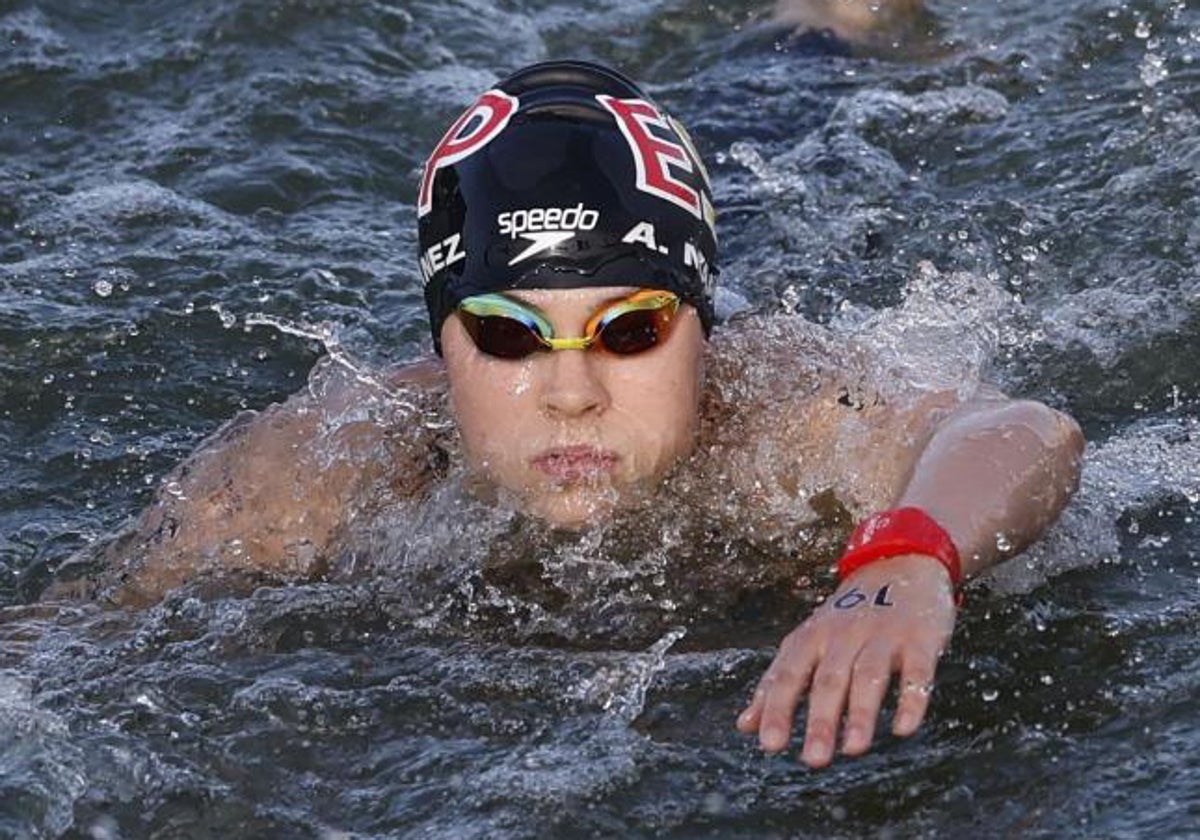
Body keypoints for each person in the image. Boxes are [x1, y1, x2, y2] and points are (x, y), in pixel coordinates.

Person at [51, 58, 1084, 770]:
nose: (571, 390)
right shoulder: (321, 468)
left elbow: (1022, 431)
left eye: (631, 332)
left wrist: (905, 560)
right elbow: (67, 642)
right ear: (441, 346)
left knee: (810, 96)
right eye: (505, 336)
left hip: (814, 218)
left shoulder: (786, 413)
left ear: (697, 333)